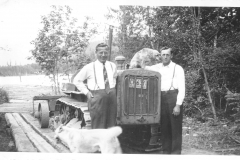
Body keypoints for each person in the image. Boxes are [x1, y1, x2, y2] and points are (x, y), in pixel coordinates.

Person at [145, 47, 185, 154]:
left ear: (171, 56)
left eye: (167, 55)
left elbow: (182, 88)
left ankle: (176, 152)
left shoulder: (178, 68)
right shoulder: (158, 67)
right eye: (163, 55)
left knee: (175, 127)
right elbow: (146, 68)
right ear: (160, 56)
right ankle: (166, 152)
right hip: (162, 98)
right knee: (164, 126)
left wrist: (178, 105)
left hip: (173, 97)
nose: (165, 57)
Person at [73, 43, 117, 129]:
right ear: (96, 53)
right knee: (98, 124)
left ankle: (108, 142)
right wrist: (87, 92)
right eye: (101, 52)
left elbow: (114, 78)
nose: (103, 55)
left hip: (111, 96)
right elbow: (77, 80)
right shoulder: (89, 67)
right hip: (97, 97)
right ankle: (97, 142)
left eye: (105, 52)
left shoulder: (112, 66)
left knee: (112, 123)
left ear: (108, 53)